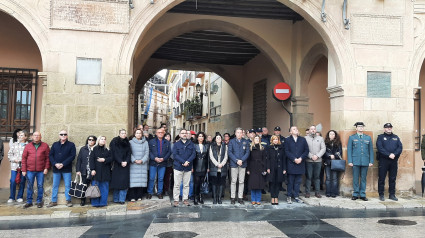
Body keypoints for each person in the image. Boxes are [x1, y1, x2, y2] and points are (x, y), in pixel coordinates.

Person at [47, 130, 76, 208]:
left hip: (66, 169)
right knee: (55, 185)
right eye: (61, 134)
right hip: (56, 169)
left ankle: (68, 200)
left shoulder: (71, 145)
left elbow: (72, 156)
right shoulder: (55, 144)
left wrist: (63, 164)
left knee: (68, 185)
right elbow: (51, 155)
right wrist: (55, 163)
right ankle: (53, 201)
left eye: (65, 134)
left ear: (67, 135)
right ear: (59, 135)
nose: (63, 135)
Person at [21, 131, 51, 208]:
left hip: (41, 170)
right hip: (29, 170)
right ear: (32, 137)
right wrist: (23, 170)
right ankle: (29, 201)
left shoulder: (45, 146)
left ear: (40, 137)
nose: (36, 137)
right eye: (35, 135)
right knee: (29, 186)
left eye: (38, 135)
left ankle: (39, 201)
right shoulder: (28, 146)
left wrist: (46, 168)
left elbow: (48, 158)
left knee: (40, 186)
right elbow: (24, 158)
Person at [347, 122, 374, 201]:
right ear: (356, 128)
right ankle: (355, 194)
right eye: (359, 126)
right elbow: (349, 150)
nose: (361, 128)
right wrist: (350, 161)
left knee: (363, 178)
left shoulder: (368, 138)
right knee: (355, 178)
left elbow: (371, 150)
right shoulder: (352, 137)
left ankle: (362, 194)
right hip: (355, 161)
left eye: (362, 126)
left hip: (365, 160)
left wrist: (371, 161)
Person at [376, 123, 403, 201]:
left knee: (392, 178)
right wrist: (388, 155)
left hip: (393, 161)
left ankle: (392, 194)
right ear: (384, 128)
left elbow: (400, 147)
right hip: (383, 160)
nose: (389, 128)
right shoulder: (380, 137)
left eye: (390, 127)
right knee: (381, 178)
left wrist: (394, 154)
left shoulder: (396, 137)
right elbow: (380, 148)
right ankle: (381, 194)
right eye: (387, 127)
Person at [285, 126, 309, 204]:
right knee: (290, 181)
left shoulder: (303, 139)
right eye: (294, 129)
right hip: (291, 163)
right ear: (290, 132)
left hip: (300, 163)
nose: (296, 130)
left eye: (297, 129)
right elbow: (286, 151)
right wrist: (294, 159)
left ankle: (296, 196)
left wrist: (301, 158)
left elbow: (306, 150)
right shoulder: (287, 140)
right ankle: (289, 196)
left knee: (298, 181)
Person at [172, 129, 195, 207]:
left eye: (185, 133)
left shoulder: (191, 144)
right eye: (182, 133)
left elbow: (193, 154)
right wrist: (183, 162)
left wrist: (188, 161)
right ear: (179, 135)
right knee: (177, 185)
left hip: (188, 167)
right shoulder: (176, 144)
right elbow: (175, 155)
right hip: (178, 167)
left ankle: (185, 199)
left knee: (186, 185)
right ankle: (176, 200)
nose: (184, 134)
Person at [228, 127, 250, 204]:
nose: (239, 134)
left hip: (243, 164)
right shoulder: (231, 141)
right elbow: (230, 152)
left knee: (241, 181)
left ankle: (240, 198)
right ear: (235, 133)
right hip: (234, 164)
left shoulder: (246, 141)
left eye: (241, 132)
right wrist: (236, 160)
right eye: (238, 132)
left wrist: (242, 160)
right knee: (233, 181)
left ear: (242, 133)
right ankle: (233, 198)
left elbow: (247, 152)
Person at [147, 128, 171, 199]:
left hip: (163, 163)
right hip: (153, 162)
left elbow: (169, 152)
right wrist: (154, 158)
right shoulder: (151, 142)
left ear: (164, 133)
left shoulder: (167, 142)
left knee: (161, 178)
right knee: (151, 178)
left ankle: (159, 193)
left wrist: (163, 158)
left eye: (162, 132)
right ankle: (150, 192)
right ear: (156, 133)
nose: (160, 133)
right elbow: (149, 151)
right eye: (159, 132)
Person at [110, 129, 131, 204]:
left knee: (124, 183)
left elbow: (129, 153)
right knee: (117, 183)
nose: (124, 134)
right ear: (119, 134)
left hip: (125, 165)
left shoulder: (127, 142)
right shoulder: (114, 141)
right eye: (122, 133)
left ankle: (122, 199)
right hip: (117, 164)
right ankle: (116, 199)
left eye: (125, 133)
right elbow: (114, 153)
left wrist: (126, 161)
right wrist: (120, 161)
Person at [90, 136, 112, 207]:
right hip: (96, 172)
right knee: (95, 188)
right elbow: (91, 160)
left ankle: (103, 202)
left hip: (106, 172)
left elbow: (111, 158)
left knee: (104, 188)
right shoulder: (94, 149)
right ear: (98, 140)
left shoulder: (107, 150)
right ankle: (95, 203)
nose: (103, 140)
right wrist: (92, 169)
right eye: (102, 139)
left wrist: (104, 160)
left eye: (104, 139)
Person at [7, 130, 29, 203]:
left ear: (25, 137)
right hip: (14, 166)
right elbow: (9, 155)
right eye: (19, 135)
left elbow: (30, 156)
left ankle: (20, 196)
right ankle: (12, 197)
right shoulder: (14, 144)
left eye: (22, 135)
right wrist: (14, 159)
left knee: (22, 181)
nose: (20, 136)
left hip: (24, 167)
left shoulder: (28, 145)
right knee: (13, 181)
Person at [305, 125, 326, 198]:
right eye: (311, 129)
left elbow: (323, 148)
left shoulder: (320, 138)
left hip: (318, 161)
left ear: (316, 130)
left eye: (314, 129)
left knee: (317, 177)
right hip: (309, 160)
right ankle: (307, 192)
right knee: (308, 177)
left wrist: (317, 156)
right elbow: (304, 149)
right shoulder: (305, 138)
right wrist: (311, 156)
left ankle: (317, 192)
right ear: (309, 130)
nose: (313, 130)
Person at [75, 135, 97, 206]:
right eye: (89, 139)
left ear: (95, 141)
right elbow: (79, 160)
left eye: (92, 140)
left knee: (92, 186)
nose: (90, 141)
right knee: (84, 186)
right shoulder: (83, 149)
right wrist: (78, 170)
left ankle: (92, 199)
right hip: (84, 170)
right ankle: (83, 200)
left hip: (93, 171)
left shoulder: (96, 149)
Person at [128, 129, 149, 202]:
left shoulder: (145, 142)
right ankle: (132, 196)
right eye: (137, 133)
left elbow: (147, 153)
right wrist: (134, 160)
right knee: (133, 181)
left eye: (140, 133)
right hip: (133, 164)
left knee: (140, 181)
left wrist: (142, 160)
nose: (138, 134)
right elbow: (129, 153)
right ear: (134, 134)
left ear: (142, 134)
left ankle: (139, 196)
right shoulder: (130, 142)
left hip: (142, 164)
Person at [247, 136, 267, 205]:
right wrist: (248, 169)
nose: (257, 140)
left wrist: (264, 169)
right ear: (253, 140)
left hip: (260, 167)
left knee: (259, 184)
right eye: (255, 139)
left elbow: (264, 159)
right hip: (252, 167)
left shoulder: (262, 149)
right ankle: (253, 199)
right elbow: (248, 160)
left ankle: (258, 199)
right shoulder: (251, 148)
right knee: (253, 184)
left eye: (258, 139)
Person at [209, 133, 228, 204]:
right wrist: (217, 164)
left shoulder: (225, 146)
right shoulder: (212, 146)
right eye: (217, 138)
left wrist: (222, 164)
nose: (218, 139)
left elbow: (226, 156)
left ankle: (219, 198)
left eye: (220, 138)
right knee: (214, 183)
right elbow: (211, 156)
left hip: (222, 168)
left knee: (221, 183)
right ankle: (214, 198)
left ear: (221, 139)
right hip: (214, 167)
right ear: (215, 139)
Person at [267, 135, 286, 205]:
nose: (275, 140)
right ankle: (272, 197)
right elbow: (268, 159)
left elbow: (284, 159)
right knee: (272, 183)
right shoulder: (269, 148)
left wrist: (284, 168)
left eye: (276, 139)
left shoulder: (281, 148)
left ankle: (276, 197)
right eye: (274, 139)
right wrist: (268, 168)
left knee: (278, 183)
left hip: (279, 168)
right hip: (271, 168)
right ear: (272, 140)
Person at [324, 130, 343, 198]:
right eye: (330, 134)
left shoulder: (338, 143)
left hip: (335, 162)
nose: (331, 135)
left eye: (333, 134)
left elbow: (340, 152)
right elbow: (324, 151)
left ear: (335, 135)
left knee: (335, 178)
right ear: (328, 135)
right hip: (327, 162)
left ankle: (334, 193)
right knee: (328, 178)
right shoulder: (325, 142)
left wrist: (334, 156)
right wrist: (329, 155)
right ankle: (328, 192)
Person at [192, 132, 209, 205]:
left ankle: (201, 197)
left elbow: (208, 157)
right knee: (196, 183)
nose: (201, 137)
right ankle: (195, 197)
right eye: (199, 136)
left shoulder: (206, 146)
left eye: (202, 136)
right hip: (196, 165)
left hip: (204, 166)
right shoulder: (194, 145)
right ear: (197, 137)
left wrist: (208, 167)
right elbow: (192, 157)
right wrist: (192, 167)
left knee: (202, 182)